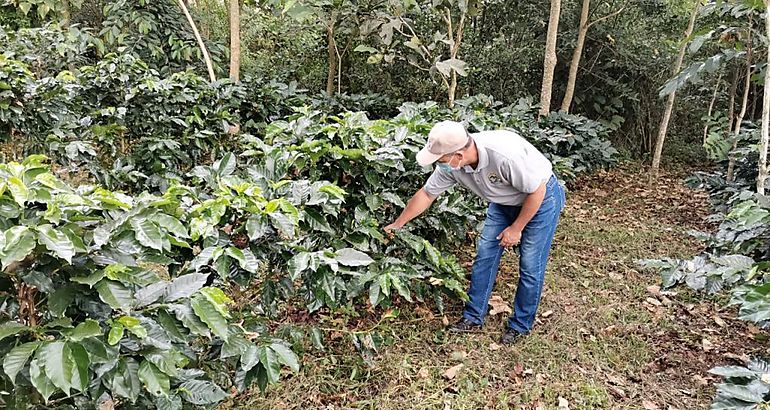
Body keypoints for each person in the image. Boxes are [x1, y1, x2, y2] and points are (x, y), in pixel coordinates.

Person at [383, 121, 566, 345]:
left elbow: (537, 191)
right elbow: (427, 194)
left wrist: (516, 229)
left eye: (441, 160)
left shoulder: (504, 155)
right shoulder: (451, 167)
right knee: (485, 256)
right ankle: (473, 316)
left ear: (458, 155)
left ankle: (520, 324)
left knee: (530, 264)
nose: (440, 165)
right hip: (502, 201)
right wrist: (398, 224)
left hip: (541, 198)